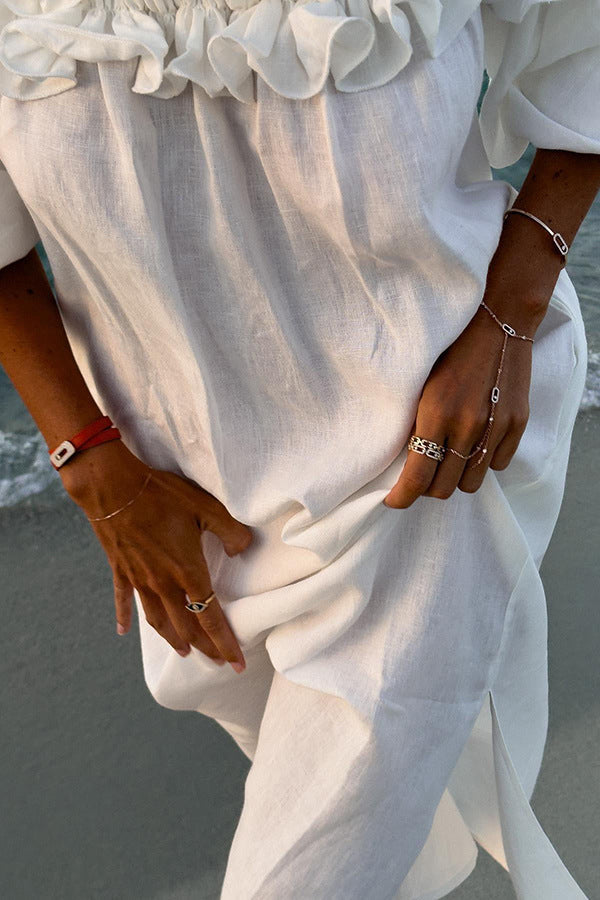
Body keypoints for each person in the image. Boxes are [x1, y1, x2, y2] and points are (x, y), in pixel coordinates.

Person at [0, 0, 599, 894]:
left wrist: (508, 319)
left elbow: (583, 49)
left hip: (426, 466)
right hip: (192, 505)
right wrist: (94, 468)